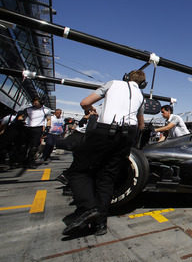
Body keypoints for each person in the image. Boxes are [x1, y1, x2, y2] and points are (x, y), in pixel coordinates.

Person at [63, 70, 146, 237]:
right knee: (107, 177)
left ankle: (88, 208)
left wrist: (91, 110)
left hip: (105, 131)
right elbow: (141, 126)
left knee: (78, 171)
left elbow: (84, 102)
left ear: (126, 77)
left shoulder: (112, 83)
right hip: (127, 135)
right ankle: (101, 224)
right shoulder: (142, 96)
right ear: (143, 84)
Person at [23, 97, 51, 168]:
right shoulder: (28, 109)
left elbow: (48, 120)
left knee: (34, 146)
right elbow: (23, 117)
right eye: (33, 102)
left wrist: (47, 128)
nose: (34, 104)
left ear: (41, 102)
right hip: (27, 127)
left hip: (37, 128)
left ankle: (30, 161)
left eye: (36, 102)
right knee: (24, 145)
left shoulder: (46, 110)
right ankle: (22, 160)